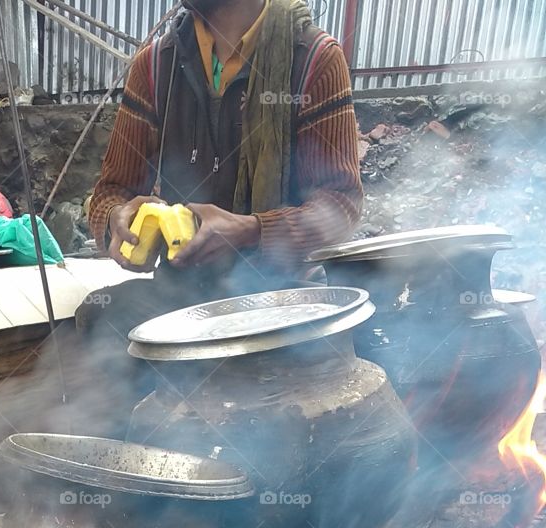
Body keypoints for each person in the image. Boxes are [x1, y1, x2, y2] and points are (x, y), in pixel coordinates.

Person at [81, 0, 363, 353]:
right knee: (98, 318)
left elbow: (341, 205)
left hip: (282, 301)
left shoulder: (314, 60)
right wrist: (117, 219)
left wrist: (251, 229)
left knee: (285, 367)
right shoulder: (155, 65)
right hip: (183, 298)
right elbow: (112, 191)